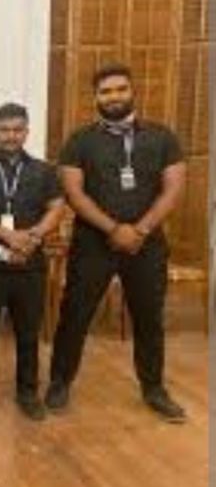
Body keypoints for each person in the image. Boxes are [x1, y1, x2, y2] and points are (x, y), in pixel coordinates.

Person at [46, 63, 187, 423]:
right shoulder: (79, 141)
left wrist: (140, 230)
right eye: (105, 92)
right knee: (74, 315)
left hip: (147, 244)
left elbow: (173, 188)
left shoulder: (162, 137)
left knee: (149, 319)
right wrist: (113, 229)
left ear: (132, 91)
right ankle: (60, 383)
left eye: (120, 89)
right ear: (95, 98)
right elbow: (74, 193)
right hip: (93, 244)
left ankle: (154, 389)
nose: (114, 97)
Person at [0, 103, 64, 421]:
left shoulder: (45, 171)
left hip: (29, 265)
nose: (11, 136)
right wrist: (9, 236)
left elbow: (56, 208)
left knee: (28, 334)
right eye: (4, 130)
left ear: (26, 132)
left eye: (17, 130)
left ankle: (28, 392)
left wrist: (32, 237)